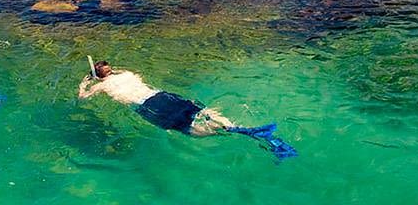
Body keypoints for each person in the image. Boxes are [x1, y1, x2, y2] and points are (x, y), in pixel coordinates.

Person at [78, 60, 297, 159]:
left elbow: (82, 99)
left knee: (185, 128)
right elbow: (124, 73)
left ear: (97, 76)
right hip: (161, 95)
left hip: (148, 107)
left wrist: (85, 83)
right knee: (201, 113)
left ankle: (238, 133)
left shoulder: (102, 86)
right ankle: (241, 128)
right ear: (112, 69)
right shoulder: (128, 75)